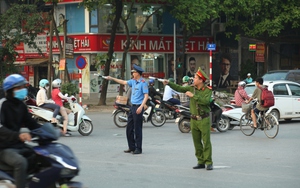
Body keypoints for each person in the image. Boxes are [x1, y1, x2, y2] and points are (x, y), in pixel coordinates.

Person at [163, 68, 213, 170]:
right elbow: (179, 88)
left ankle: (208, 162)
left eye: (195, 77)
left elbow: (206, 102)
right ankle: (200, 161)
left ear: (201, 80)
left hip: (204, 119)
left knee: (206, 141)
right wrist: (169, 83)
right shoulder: (191, 88)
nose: (193, 79)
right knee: (196, 142)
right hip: (193, 119)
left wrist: (193, 96)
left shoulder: (207, 90)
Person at [0, 74, 41, 188]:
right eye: (18, 88)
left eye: (23, 87)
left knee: (39, 156)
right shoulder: (3, 104)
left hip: (17, 145)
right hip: (3, 148)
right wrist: (19, 135)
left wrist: (48, 131)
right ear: (9, 90)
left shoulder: (21, 105)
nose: (22, 90)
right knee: (20, 162)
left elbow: (31, 123)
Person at [107, 64, 148, 154]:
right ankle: (131, 147)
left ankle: (138, 148)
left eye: (134, 72)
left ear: (138, 73)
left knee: (137, 129)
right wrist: (112, 78)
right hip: (132, 107)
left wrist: (141, 107)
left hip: (138, 107)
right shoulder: (133, 82)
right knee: (129, 128)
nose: (133, 73)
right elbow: (123, 82)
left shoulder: (143, 83)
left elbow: (146, 96)